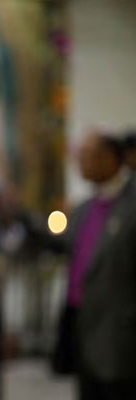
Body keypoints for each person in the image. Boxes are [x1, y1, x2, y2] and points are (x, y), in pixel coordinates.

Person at [65, 130, 136, 400]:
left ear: (109, 159)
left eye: (87, 155)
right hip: (85, 331)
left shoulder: (131, 205)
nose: (80, 162)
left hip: (121, 338)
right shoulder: (84, 209)